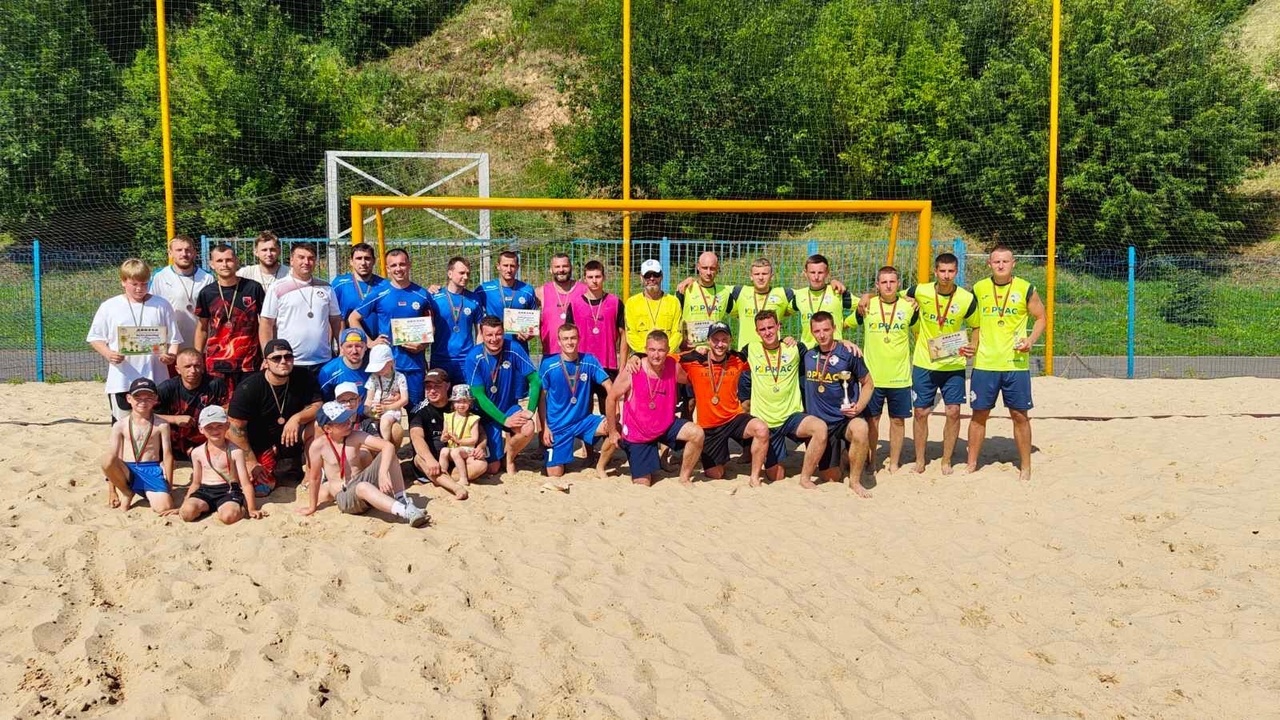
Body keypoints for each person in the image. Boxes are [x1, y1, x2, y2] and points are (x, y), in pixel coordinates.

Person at [965, 246, 1045, 481]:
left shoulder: (1025, 288)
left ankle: (1026, 466)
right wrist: (971, 344)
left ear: (1013, 263)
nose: (1001, 265)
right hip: (985, 363)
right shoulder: (979, 288)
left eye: (1005, 261)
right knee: (979, 415)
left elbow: (1041, 317)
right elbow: (972, 320)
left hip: (1015, 364)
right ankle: (971, 464)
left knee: (1019, 415)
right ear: (989, 264)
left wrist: (1030, 340)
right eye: (996, 261)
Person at [597, 330, 705, 486]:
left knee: (697, 433)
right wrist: (613, 431)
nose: (656, 355)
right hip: (639, 433)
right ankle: (615, 458)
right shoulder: (633, 370)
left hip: (665, 425)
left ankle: (684, 477)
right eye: (652, 350)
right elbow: (611, 398)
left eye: (661, 350)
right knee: (643, 482)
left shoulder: (673, 366)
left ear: (668, 351)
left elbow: (692, 379)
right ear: (645, 350)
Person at [297, 401, 429, 527]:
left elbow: (388, 446)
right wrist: (312, 507)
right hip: (345, 495)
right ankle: (406, 512)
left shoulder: (355, 436)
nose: (348, 423)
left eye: (347, 418)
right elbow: (315, 478)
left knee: (389, 453)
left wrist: (382, 473)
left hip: (362, 482)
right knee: (362, 487)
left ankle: (402, 500)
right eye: (341, 422)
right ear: (328, 428)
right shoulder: (318, 446)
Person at [904, 253, 977, 474]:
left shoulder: (966, 298)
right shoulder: (920, 290)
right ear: (935, 272)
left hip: (953, 364)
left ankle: (946, 461)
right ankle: (920, 460)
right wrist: (908, 300)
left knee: (953, 412)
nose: (946, 276)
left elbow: (976, 326)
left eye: (951, 271)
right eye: (942, 271)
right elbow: (894, 295)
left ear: (957, 272)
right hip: (924, 362)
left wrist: (973, 345)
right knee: (920, 412)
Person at [87, 258, 182, 421]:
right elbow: (95, 338)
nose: (139, 288)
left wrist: (171, 356)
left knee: (157, 423)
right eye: (134, 284)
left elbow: (174, 338)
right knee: (123, 423)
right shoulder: (109, 306)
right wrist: (108, 354)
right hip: (122, 378)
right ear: (123, 281)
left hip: (156, 376)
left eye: (144, 284)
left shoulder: (161, 305)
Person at [740, 310, 828, 486]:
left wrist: (844, 343)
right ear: (757, 331)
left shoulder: (794, 348)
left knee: (820, 428)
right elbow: (723, 357)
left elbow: (823, 350)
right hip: (767, 422)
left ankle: (805, 478)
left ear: (778, 326)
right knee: (776, 476)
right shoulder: (750, 350)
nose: (768, 332)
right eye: (762, 329)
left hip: (791, 416)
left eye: (771, 327)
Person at [227, 339, 323, 497]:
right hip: (259, 442)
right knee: (261, 489)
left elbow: (318, 405)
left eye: (288, 356)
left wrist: (297, 418)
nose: (283, 361)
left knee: (319, 424)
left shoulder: (304, 376)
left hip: (291, 438)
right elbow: (235, 427)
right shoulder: (249, 387)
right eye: (276, 358)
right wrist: (251, 461)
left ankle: (310, 476)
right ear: (266, 363)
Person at [676, 322, 768, 485]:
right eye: (716, 340)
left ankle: (754, 477)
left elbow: (764, 353)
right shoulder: (694, 360)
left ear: (730, 340)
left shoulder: (737, 359)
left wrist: (785, 341)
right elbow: (664, 358)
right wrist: (637, 357)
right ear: (708, 341)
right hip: (710, 426)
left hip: (733, 418)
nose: (720, 344)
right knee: (716, 474)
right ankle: (721, 455)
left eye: (724, 339)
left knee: (761, 429)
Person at [852, 266, 919, 474]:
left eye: (892, 282)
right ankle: (871, 461)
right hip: (873, 378)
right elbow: (844, 321)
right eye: (884, 282)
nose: (888, 286)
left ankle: (894, 463)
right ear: (877, 285)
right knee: (872, 421)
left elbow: (923, 331)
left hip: (900, 377)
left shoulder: (910, 307)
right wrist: (865, 296)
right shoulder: (866, 305)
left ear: (898, 284)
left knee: (897, 421)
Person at [801, 312, 875, 496]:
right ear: (811, 332)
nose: (822, 335)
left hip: (845, 419)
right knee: (831, 477)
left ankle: (855, 482)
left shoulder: (849, 353)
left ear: (834, 328)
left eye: (826, 329)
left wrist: (858, 407)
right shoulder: (807, 355)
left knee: (861, 428)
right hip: (821, 425)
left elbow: (868, 383)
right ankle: (844, 458)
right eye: (817, 331)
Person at [349, 249, 434, 407]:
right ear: (387, 268)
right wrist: (369, 342)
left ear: (409, 265)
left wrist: (423, 344)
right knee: (386, 412)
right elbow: (353, 318)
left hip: (413, 365)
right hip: (386, 368)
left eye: (402, 264)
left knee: (416, 412)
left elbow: (431, 325)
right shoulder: (379, 293)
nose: (398, 269)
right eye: (393, 265)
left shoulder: (422, 294)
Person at [465, 316, 541, 476]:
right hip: (486, 414)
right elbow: (479, 396)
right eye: (489, 335)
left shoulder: (513, 348)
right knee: (493, 468)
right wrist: (503, 419)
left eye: (498, 334)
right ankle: (497, 455)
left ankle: (510, 458)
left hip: (509, 407)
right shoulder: (473, 357)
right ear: (481, 334)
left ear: (504, 332)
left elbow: (535, 380)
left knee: (528, 427)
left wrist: (530, 410)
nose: (494, 339)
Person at [537, 324, 613, 480]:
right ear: (559, 341)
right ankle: (560, 456)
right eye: (565, 339)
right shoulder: (548, 364)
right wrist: (545, 427)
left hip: (582, 421)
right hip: (558, 426)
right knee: (555, 473)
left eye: (573, 338)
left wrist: (614, 412)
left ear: (579, 339)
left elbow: (608, 384)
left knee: (614, 427)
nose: (570, 342)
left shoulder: (589, 360)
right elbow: (541, 398)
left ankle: (600, 466)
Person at [259, 244, 342, 377]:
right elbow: (266, 324)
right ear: (292, 260)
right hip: (289, 361)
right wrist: (267, 355)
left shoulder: (326, 287)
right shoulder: (277, 287)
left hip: (323, 361)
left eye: (311, 258)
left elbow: (336, 320)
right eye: (301, 257)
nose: (306, 262)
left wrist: (342, 347)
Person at [194, 243, 265, 391]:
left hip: (249, 362)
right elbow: (202, 328)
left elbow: (266, 324)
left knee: (248, 402)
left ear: (236, 261)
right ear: (212, 264)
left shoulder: (253, 288)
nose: (225, 264)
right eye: (219, 261)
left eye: (229, 260)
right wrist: (197, 357)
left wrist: (267, 354)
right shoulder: (207, 293)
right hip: (217, 362)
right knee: (218, 403)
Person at [177, 406, 264, 524]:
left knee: (229, 517)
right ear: (201, 429)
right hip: (205, 489)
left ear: (227, 426)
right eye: (209, 427)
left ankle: (239, 508)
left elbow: (245, 483)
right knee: (187, 513)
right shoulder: (197, 452)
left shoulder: (236, 452)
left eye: (219, 426)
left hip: (228, 489)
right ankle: (209, 507)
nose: (215, 430)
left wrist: (251, 508)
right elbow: (196, 483)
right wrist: (184, 503)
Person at [100, 378, 175, 513]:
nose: (143, 401)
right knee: (107, 459)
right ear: (129, 399)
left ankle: (146, 491)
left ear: (155, 399)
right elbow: (113, 459)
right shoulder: (120, 425)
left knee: (164, 507)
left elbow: (168, 455)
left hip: (151, 468)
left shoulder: (162, 424)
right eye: (138, 397)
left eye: (148, 397)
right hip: (127, 470)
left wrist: (169, 486)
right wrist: (112, 491)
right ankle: (127, 492)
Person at [409, 368, 483, 499]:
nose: (432, 391)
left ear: (447, 386)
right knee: (420, 459)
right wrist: (430, 459)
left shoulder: (458, 404)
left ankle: (438, 479)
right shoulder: (420, 410)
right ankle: (456, 487)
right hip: (430, 459)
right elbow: (416, 437)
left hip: (456, 457)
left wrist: (481, 447)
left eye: (437, 386)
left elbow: (480, 431)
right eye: (428, 387)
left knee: (481, 465)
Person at [565, 260, 626, 411]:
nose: (594, 280)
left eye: (597, 276)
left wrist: (623, 366)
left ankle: (611, 428)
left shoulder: (615, 302)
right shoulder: (574, 304)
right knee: (583, 411)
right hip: (582, 364)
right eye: (590, 277)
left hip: (607, 364)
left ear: (604, 277)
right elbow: (568, 336)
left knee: (611, 410)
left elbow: (624, 336)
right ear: (584, 279)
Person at [155, 348, 230, 459]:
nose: (193, 370)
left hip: (208, 439)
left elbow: (229, 410)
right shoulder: (167, 388)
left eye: (197, 366)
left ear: (203, 367)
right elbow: (147, 415)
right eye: (187, 366)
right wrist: (174, 419)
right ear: (177, 369)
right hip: (174, 443)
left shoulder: (215, 384)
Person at [148, 234, 212, 357]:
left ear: (194, 253)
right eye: (179, 250)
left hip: (200, 347)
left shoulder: (207, 278)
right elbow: (151, 311)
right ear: (170, 253)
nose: (184, 254)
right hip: (170, 348)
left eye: (188, 250)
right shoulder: (160, 277)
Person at [427, 256, 481, 389]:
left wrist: (478, 355)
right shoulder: (434, 297)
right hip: (441, 358)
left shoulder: (474, 299)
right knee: (440, 398)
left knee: (465, 399)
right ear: (450, 274)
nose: (466, 277)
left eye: (468, 273)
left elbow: (480, 332)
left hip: (466, 359)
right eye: (461, 273)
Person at [476, 250, 539, 351]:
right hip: (493, 347)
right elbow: (472, 310)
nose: (509, 270)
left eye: (512, 266)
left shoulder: (527, 291)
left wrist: (529, 334)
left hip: (518, 349)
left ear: (517, 267)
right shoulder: (484, 290)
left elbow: (534, 322)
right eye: (505, 265)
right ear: (498, 266)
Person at [729, 258, 794, 350]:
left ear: (772, 276)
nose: (760, 277)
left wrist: (789, 339)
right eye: (756, 274)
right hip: (746, 353)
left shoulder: (783, 294)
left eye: (764, 274)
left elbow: (806, 297)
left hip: (773, 352)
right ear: (751, 276)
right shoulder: (740, 293)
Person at [791, 254, 853, 346]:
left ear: (827, 272)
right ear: (805, 273)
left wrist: (847, 323)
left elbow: (865, 305)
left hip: (833, 350)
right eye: (812, 272)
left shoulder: (838, 292)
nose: (816, 277)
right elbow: (783, 310)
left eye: (820, 272)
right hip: (808, 351)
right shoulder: (799, 295)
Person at [624, 259, 683, 355]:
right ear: (641, 278)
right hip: (642, 356)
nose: (652, 278)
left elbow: (677, 333)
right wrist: (648, 353)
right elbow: (631, 334)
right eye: (647, 276)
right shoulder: (631, 303)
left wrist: (663, 352)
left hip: (667, 355)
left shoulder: (674, 302)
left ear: (661, 276)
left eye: (656, 275)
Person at [676, 251, 733, 348]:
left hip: (714, 349)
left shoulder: (725, 292)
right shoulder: (685, 289)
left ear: (717, 268)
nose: (708, 272)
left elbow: (741, 313)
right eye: (705, 268)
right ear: (698, 267)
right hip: (690, 348)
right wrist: (680, 339)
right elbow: (674, 319)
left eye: (712, 268)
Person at [439, 384, 486, 493]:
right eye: (458, 401)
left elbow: (474, 439)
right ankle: (443, 475)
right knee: (444, 450)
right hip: (452, 447)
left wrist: (459, 441)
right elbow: (443, 436)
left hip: (467, 449)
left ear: (470, 403)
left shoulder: (473, 419)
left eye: (464, 401)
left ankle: (463, 478)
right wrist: (444, 437)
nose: (461, 405)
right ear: (453, 403)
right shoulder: (448, 417)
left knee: (456, 452)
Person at [535, 253, 584, 356]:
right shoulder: (541, 292)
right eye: (557, 267)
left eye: (565, 266)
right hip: (551, 354)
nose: (561, 270)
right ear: (551, 270)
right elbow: (526, 316)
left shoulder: (584, 290)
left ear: (571, 268)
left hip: (579, 355)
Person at [330, 242, 384, 329]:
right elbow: (330, 315)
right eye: (359, 258)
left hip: (378, 337)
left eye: (367, 258)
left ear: (374, 261)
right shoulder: (339, 284)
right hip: (349, 336)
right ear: (351, 261)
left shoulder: (384, 285)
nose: (363, 263)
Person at [363, 344, 408, 448]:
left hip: (391, 410)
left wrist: (387, 408)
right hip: (375, 410)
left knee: (385, 421)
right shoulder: (373, 377)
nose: (379, 371)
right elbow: (369, 398)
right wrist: (367, 410)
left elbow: (405, 399)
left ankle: (384, 447)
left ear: (391, 362)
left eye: (381, 367)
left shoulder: (400, 377)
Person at [318, 327, 371, 410]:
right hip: (342, 415)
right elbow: (324, 402)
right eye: (349, 346)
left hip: (367, 413)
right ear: (341, 348)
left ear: (366, 347)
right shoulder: (328, 371)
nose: (354, 351)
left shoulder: (373, 367)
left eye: (358, 346)